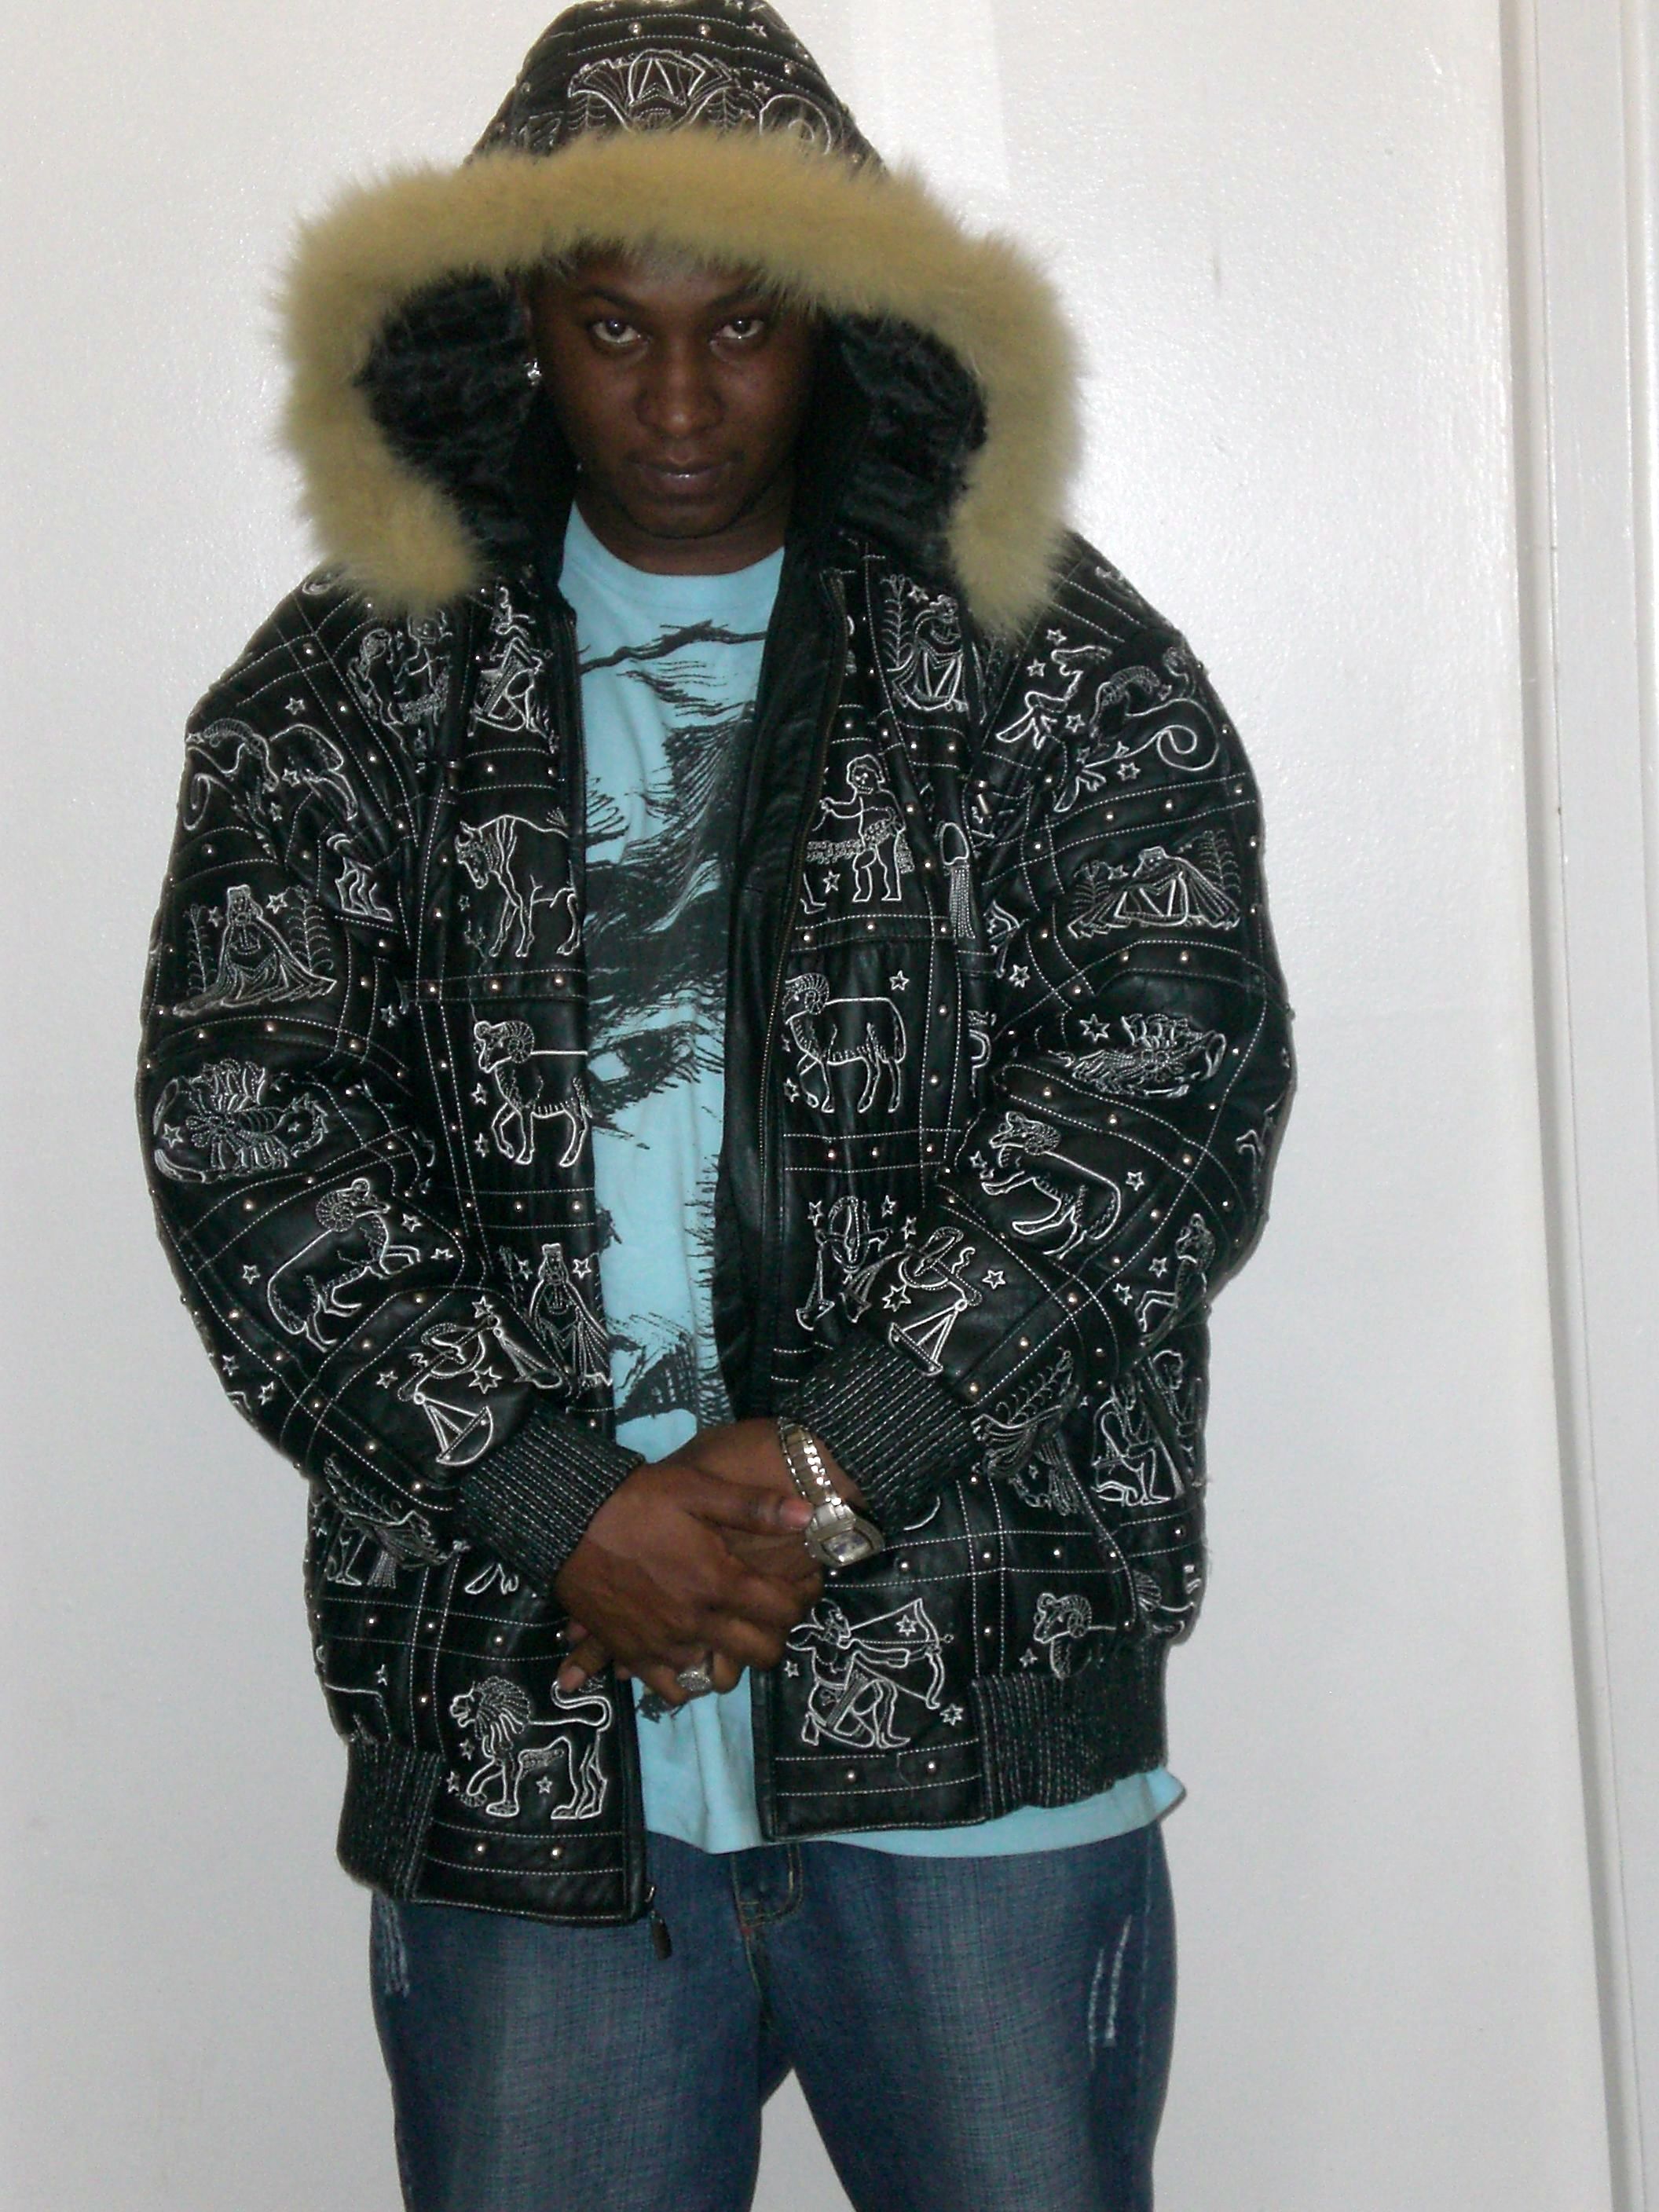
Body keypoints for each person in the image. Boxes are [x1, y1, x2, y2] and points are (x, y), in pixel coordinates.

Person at [137, 6, 1294, 2207]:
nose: (678, 400)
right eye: (614, 327)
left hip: (980, 1723)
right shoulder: (350, 683)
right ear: (518, 326)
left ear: (840, 319)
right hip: (527, 1724)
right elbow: (246, 1132)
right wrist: (557, 1495)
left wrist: (848, 1454)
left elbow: (1172, 1085)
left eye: (742, 325)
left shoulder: (1047, 655)